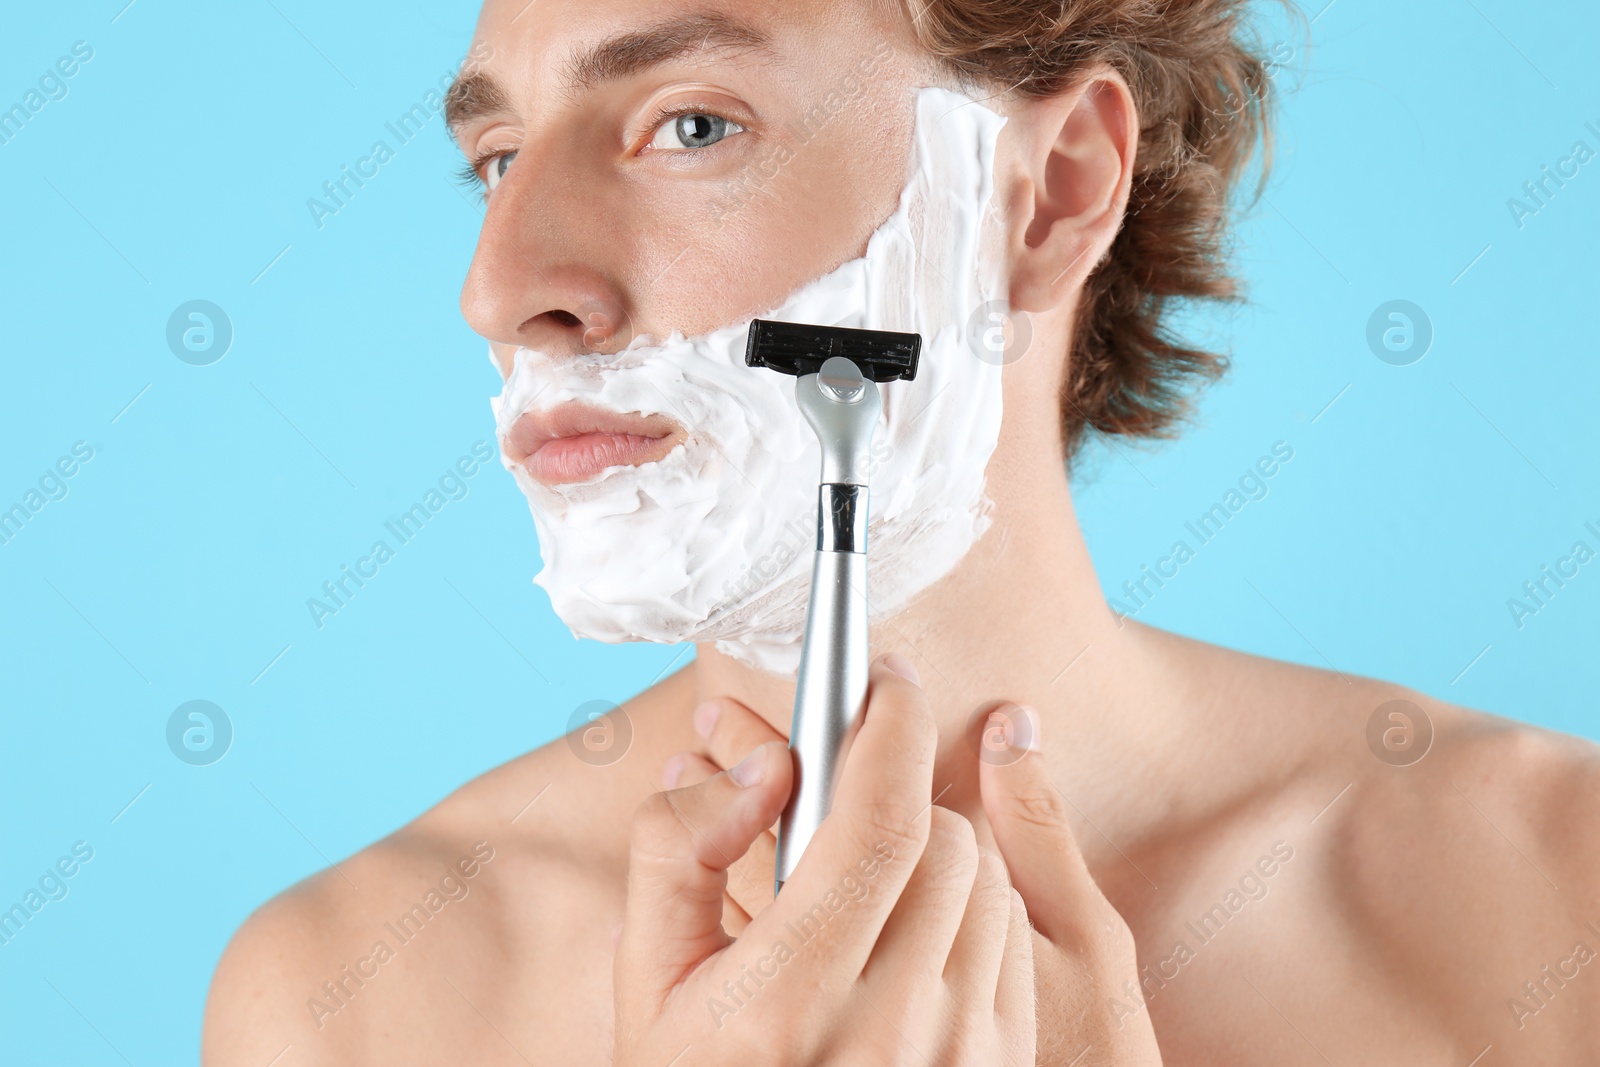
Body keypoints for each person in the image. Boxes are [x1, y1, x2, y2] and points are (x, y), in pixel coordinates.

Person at [203, 0, 1600, 1063]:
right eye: (497, 155)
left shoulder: (1553, 897)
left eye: (692, 124)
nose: (502, 287)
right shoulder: (360, 994)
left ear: (1050, 191)